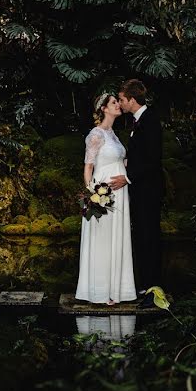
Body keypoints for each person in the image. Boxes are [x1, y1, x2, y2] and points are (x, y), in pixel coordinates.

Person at [75, 94, 137, 305]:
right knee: (102, 239)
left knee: (116, 237)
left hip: (120, 192)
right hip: (104, 193)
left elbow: (122, 162)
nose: (118, 105)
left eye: (118, 102)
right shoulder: (96, 134)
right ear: (103, 108)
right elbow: (88, 166)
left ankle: (116, 290)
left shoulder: (114, 135)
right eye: (113, 103)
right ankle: (99, 291)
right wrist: (93, 193)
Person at [109, 79, 163, 309]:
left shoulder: (150, 121)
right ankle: (145, 285)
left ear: (132, 99)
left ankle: (154, 290)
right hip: (140, 190)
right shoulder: (137, 121)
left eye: (121, 99)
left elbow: (153, 159)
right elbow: (141, 155)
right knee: (141, 236)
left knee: (150, 237)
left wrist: (128, 178)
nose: (120, 103)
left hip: (148, 190)